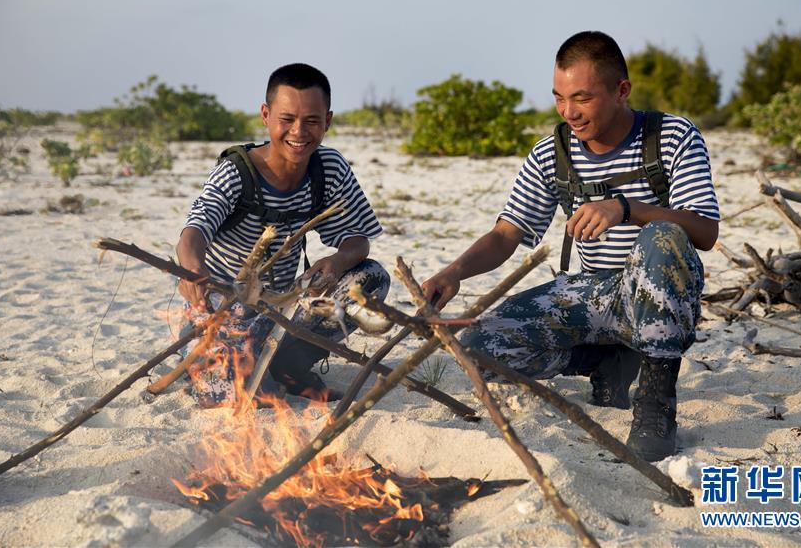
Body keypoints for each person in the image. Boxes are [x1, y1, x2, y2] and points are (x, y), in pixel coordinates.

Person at [422, 31, 719, 461]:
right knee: (480, 350)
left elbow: (705, 232)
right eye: (559, 98)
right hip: (591, 294)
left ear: (622, 91)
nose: (569, 112)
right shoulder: (551, 153)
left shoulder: (672, 136)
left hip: (657, 299)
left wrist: (626, 208)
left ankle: (655, 402)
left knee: (664, 235)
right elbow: (507, 233)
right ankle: (604, 362)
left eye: (582, 98)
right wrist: (454, 271)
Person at [177, 63, 389, 408]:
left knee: (370, 276)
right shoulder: (236, 172)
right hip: (221, 310)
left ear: (328, 121)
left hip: (282, 310)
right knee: (228, 398)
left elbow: (358, 240)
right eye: (286, 119)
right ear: (265, 115)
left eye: (312, 121)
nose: (298, 132)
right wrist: (193, 270)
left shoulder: (328, 168)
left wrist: (336, 261)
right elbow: (193, 232)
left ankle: (289, 367)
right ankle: (223, 362)